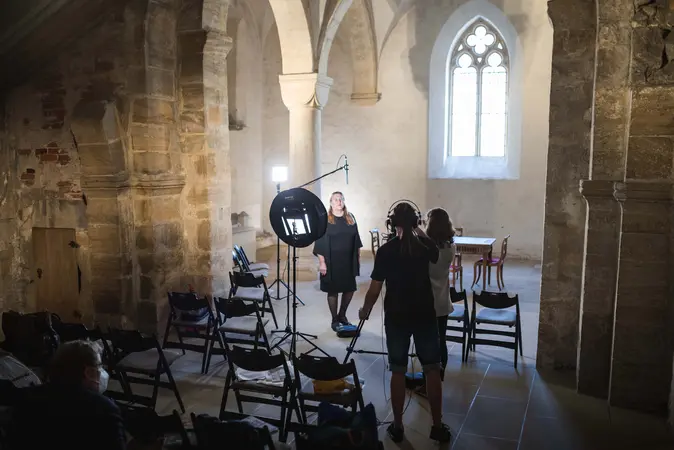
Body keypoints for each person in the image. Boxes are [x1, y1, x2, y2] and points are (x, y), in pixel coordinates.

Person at [358, 202, 452, 443]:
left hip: (397, 317)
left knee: (397, 370)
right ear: (416, 222)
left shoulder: (387, 251)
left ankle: (398, 426)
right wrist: (417, 229)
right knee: (432, 368)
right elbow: (434, 249)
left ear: (392, 224)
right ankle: (437, 425)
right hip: (425, 315)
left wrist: (365, 309)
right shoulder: (424, 248)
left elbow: (375, 288)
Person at [0, 340, 126, 450]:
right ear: (88, 372)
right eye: (99, 366)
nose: (101, 372)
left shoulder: (27, 398)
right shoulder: (106, 410)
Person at [313, 191, 363, 331]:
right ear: (331, 203)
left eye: (341, 199)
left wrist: (357, 258)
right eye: (335, 199)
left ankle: (342, 315)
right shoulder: (326, 220)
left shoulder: (350, 218)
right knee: (333, 290)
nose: (339, 202)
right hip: (331, 261)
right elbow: (320, 242)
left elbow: (356, 239)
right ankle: (334, 319)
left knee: (350, 288)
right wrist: (322, 262)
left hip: (347, 260)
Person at [422, 208, 456, 388]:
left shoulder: (426, 249)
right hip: (443, 301)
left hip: (427, 302)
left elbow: (426, 245)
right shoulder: (451, 247)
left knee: (427, 343)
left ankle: (428, 380)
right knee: (441, 339)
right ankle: (439, 378)